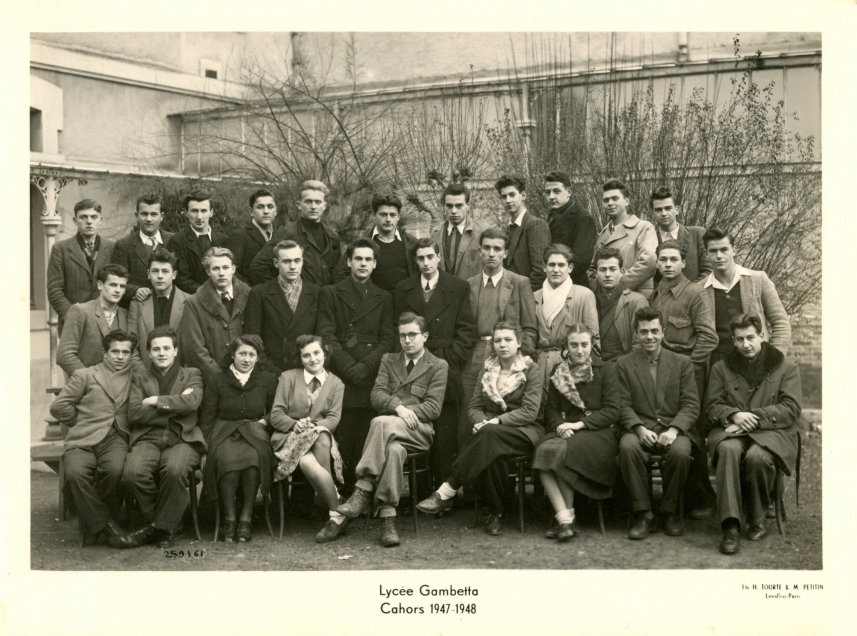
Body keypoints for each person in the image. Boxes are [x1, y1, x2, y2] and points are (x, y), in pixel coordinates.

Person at [418, 322, 543, 536]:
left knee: (489, 437)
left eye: (508, 340)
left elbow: (530, 411)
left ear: (519, 343)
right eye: (498, 340)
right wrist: (481, 422)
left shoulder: (531, 369)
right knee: (493, 451)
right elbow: (474, 406)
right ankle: (496, 513)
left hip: (523, 431)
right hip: (491, 434)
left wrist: (496, 422)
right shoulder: (487, 369)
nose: (502, 345)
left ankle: (448, 488)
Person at [337, 313, 449, 547]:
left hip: (419, 431)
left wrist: (403, 412)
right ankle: (388, 518)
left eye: (413, 335)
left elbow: (433, 407)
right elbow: (376, 395)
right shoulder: (388, 360)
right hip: (390, 433)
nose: (407, 340)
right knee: (394, 451)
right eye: (403, 336)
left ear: (425, 336)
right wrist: (399, 408)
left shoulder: (438, 365)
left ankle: (363, 489)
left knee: (379, 422)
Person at [705, 314, 802, 555]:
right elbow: (712, 406)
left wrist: (754, 417)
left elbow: (791, 408)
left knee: (757, 457)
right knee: (727, 449)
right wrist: (734, 414)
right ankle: (730, 524)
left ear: (762, 335)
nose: (745, 344)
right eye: (739, 339)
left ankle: (757, 518)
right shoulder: (721, 368)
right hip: (732, 431)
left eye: (750, 337)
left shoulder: (786, 367)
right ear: (733, 341)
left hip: (772, 433)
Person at [394, 238, 476, 484]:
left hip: (444, 366)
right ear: (415, 260)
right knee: (415, 429)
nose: (426, 262)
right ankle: (419, 492)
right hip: (413, 367)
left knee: (445, 436)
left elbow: (466, 331)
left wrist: (448, 360)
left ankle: (442, 493)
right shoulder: (404, 288)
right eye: (421, 258)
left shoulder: (458, 287)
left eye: (430, 256)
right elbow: (396, 329)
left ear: (439, 257)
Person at [317, 238, 395, 490]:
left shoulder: (384, 297)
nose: (363, 264)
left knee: (366, 437)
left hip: (371, 375)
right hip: (342, 375)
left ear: (375, 264)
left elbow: (387, 339)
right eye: (358, 259)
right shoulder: (331, 293)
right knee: (344, 438)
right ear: (349, 262)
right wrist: (350, 368)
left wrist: (365, 367)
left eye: (368, 259)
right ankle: (342, 492)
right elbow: (326, 335)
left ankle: (365, 493)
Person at [616, 307, 700, 540]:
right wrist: (639, 428)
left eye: (654, 331)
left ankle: (670, 511)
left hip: (673, 428)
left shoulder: (682, 362)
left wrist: (674, 430)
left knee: (681, 452)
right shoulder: (624, 364)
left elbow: (691, 404)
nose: (649, 337)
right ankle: (643, 513)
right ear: (636, 334)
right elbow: (622, 404)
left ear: (663, 332)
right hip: (639, 427)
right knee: (628, 447)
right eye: (644, 332)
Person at [118, 326, 204, 548]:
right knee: (132, 474)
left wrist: (156, 401)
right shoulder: (140, 378)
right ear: (148, 353)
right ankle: (165, 523)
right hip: (148, 437)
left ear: (176, 351)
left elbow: (192, 403)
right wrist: (176, 405)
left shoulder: (192, 374)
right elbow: (135, 413)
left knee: (175, 470)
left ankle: (158, 528)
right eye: (156, 349)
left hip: (183, 437)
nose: (162, 353)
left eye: (167, 348)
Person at [650, 239, 718, 518]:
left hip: (690, 372)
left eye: (673, 260)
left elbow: (708, 338)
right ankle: (678, 497)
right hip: (661, 371)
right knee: (668, 425)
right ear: (657, 263)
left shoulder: (695, 293)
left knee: (691, 431)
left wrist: (686, 366)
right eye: (663, 260)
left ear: (684, 263)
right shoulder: (658, 292)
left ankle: (702, 499)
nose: (668, 265)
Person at [49, 330, 138, 547]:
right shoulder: (86, 375)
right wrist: (80, 421)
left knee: (115, 470)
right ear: (105, 353)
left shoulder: (136, 377)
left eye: (125, 352)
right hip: (83, 439)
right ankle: (107, 525)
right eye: (115, 351)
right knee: (75, 472)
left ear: (130, 355)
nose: (120, 356)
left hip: (116, 437)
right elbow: (58, 406)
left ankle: (93, 521)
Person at [533, 324, 620, 541]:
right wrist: (559, 426)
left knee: (563, 452)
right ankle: (565, 517)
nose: (579, 350)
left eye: (584, 344)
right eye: (574, 345)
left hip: (597, 432)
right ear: (567, 346)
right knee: (543, 451)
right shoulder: (558, 370)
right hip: (566, 430)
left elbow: (612, 411)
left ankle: (564, 520)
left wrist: (579, 425)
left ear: (592, 345)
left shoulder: (606, 369)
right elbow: (551, 408)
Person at [460, 228, 538, 450]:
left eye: (497, 249)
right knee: (470, 413)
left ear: (506, 253)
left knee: (501, 411)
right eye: (486, 248)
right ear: (480, 251)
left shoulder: (519, 282)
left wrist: (520, 359)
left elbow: (530, 328)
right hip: (474, 355)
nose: (491, 253)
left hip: (508, 356)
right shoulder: (469, 284)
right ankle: (468, 468)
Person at [200, 335, 278, 543]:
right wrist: (204, 447)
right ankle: (229, 518)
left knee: (253, 461)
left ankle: (246, 518)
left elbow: (276, 410)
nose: (246, 359)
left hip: (254, 431)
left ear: (257, 357)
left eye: (252, 354)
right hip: (224, 431)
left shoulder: (267, 379)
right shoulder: (217, 379)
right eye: (242, 353)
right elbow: (208, 415)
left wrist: (264, 421)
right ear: (233, 355)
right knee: (227, 463)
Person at [270, 334, 347, 543]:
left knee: (316, 443)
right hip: (290, 436)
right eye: (306, 355)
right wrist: (294, 424)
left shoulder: (336, 383)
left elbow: (333, 418)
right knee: (318, 440)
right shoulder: (288, 377)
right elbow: (276, 414)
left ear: (325, 353)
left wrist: (314, 427)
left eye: (316, 353)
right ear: (300, 358)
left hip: (321, 438)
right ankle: (337, 506)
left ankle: (334, 512)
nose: (313, 359)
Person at [702, 228, 791, 363]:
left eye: (724, 249)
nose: (719, 255)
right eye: (713, 251)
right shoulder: (700, 289)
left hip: (756, 360)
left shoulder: (758, 280)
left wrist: (773, 359)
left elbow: (781, 322)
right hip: (718, 363)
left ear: (734, 250)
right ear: (706, 254)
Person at [244, 240, 320, 374]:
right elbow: (252, 340)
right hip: (272, 371)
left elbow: (322, 336)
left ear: (302, 262)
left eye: (297, 261)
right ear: (276, 263)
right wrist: (272, 371)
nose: (292, 266)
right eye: (286, 261)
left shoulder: (317, 293)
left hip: (308, 369)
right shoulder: (259, 293)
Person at [249, 180, 342, 286]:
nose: (313, 206)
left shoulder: (333, 237)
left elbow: (338, 274)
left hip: (327, 296)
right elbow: (258, 267)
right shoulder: (287, 233)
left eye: (318, 202)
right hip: (300, 296)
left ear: (324, 206)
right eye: (308, 202)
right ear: (299, 205)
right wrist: (280, 292)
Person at [179, 247, 251, 377]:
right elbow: (194, 349)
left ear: (233, 269)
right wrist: (219, 379)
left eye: (225, 267)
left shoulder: (250, 297)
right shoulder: (193, 303)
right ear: (208, 272)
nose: (221, 273)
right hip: (213, 380)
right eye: (216, 268)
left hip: (248, 376)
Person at [534, 244, 599, 386]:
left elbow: (593, 337)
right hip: (539, 367)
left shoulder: (584, 295)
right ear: (544, 267)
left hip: (572, 365)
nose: (556, 270)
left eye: (561, 265)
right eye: (551, 265)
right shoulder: (535, 297)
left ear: (570, 268)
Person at [47, 198, 115, 333]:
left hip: (107, 322)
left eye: (94, 217)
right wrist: (73, 316)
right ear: (75, 220)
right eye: (83, 217)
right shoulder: (60, 249)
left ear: (100, 220)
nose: (89, 221)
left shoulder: (112, 248)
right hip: (73, 324)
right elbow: (54, 291)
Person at [57, 263, 131, 377]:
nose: (118, 290)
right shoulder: (80, 311)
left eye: (122, 286)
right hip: (85, 384)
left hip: (117, 384)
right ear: (100, 285)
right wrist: (91, 379)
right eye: (113, 285)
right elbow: (64, 355)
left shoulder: (126, 315)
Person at [589, 179, 657, 298]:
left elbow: (648, 263)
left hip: (636, 295)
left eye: (615, 198)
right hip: (606, 298)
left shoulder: (643, 227)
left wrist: (617, 285)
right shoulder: (603, 234)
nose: (610, 203)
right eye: (606, 200)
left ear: (626, 201)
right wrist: (598, 288)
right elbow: (593, 268)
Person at [337, 192, 418, 292]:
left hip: (404, 299)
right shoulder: (361, 243)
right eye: (383, 214)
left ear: (398, 217)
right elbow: (340, 272)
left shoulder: (411, 242)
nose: (388, 219)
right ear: (374, 215)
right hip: (374, 300)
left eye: (392, 215)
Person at [127, 249, 189, 371]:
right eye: (155, 271)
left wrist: (184, 376)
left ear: (174, 274)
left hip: (180, 374)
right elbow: (131, 345)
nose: (160, 276)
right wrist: (142, 373)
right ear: (148, 274)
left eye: (165, 271)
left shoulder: (189, 302)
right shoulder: (137, 304)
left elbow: (193, 346)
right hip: (145, 373)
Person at [111, 193, 174, 307]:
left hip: (170, 306)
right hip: (138, 307)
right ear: (137, 215)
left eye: (154, 214)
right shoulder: (124, 245)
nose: (149, 219)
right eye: (144, 214)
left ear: (162, 216)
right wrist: (135, 291)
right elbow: (116, 280)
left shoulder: (174, 240)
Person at [495, 174, 551, 290]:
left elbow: (540, 272)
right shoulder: (508, 229)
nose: (508, 200)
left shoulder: (535, 225)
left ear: (523, 195)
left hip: (528, 295)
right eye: (504, 196)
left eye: (512, 195)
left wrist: (521, 295)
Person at [592, 248, 648, 363]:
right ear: (596, 273)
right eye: (602, 270)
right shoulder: (589, 300)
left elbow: (639, 344)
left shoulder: (636, 301)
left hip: (623, 365)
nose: (607, 274)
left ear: (622, 271)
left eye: (613, 269)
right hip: (594, 365)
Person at [543, 171, 596, 287]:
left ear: (569, 192)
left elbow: (581, 261)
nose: (551, 196)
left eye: (557, 191)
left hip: (574, 286)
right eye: (548, 192)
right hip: (552, 284)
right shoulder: (551, 215)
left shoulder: (583, 218)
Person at [167, 189, 226, 294]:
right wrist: (209, 293)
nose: (199, 217)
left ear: (211, 212)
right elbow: (182, 279)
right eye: (194, 211)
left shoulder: (223, 239)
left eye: (203, 211)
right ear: (186, 213)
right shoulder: (178, 241)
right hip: (192, 298)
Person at [649, 186, 710, 284]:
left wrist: (690, 291)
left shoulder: (697, 234)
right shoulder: (648, 240)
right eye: (658, 210)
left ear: (677, 210)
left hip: (694, 292)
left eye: (668, 208)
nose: (664, 213)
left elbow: (708, 271)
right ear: (653, 213)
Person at [430, 183, 487, 281]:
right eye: (449, 206)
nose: (453, 211)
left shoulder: (482, 231)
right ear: (444, 207)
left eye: (459, 205)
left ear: (468, 206)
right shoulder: (436, 233)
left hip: (471, 289)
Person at [225, 188, 277, 282]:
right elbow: (231, 272)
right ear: (251, 211)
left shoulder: (281, 235)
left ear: (276, 210)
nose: (266, 211)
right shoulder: (239, 236)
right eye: (260, 207)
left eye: (270, 207)